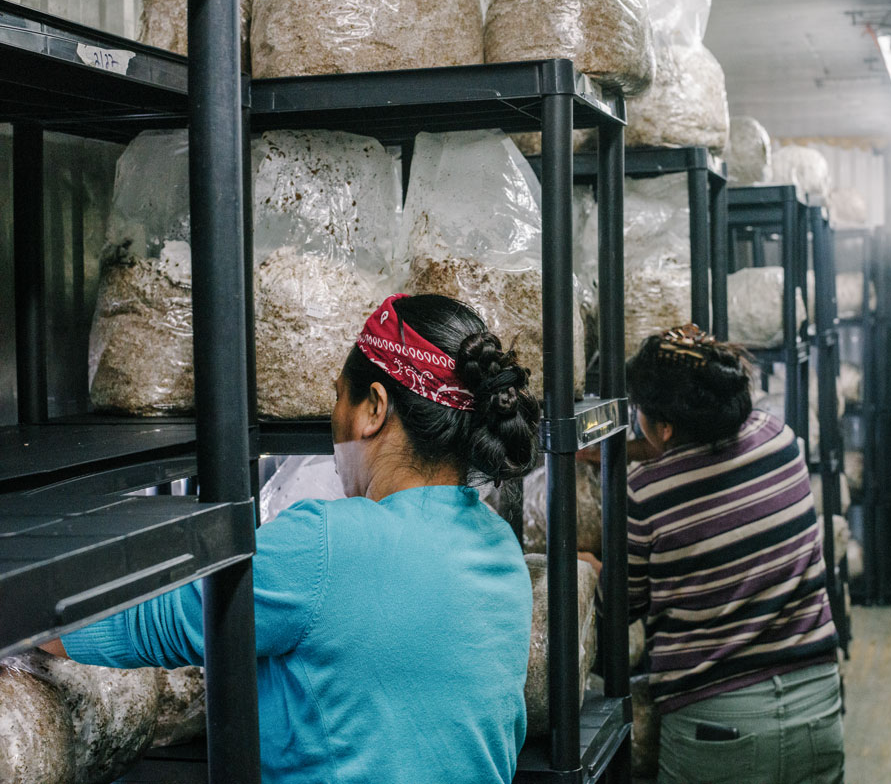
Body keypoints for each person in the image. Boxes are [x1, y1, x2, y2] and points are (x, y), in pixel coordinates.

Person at [44, 293, 539, 784]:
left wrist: (31, 618)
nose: (334, 416)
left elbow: (147, 621)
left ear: (373, 408)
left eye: (337, 396)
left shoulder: (326, 544)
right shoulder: (501, 550)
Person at [606, 324, 844, 784]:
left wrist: (597, 569)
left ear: (665, 427)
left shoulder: (647, 492)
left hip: (716, 729)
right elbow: (682, 450)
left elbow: (621, 609)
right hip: (817, 707)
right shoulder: (780, 439)